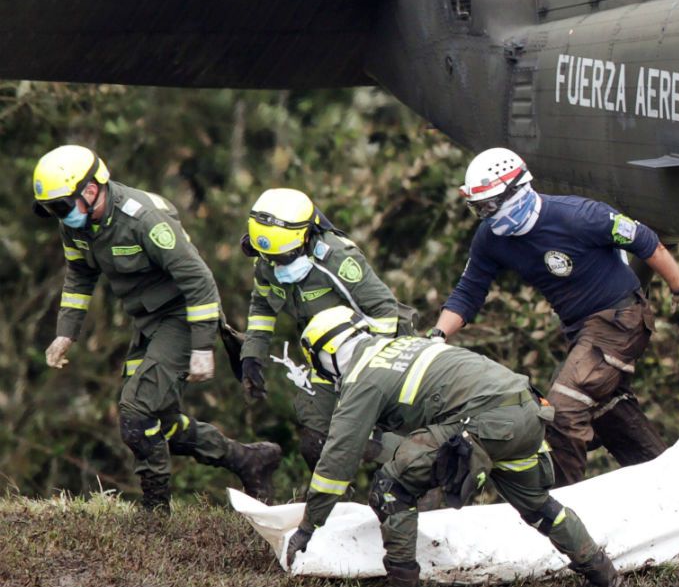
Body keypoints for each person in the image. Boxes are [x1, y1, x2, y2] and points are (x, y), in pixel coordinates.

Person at [430, 147, 679, 485]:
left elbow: (645, 240)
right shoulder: (490, 238)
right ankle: (676, 486)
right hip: (582, 333)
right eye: (479, 208)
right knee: (607, 411)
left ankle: (564, 510)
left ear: (516, 190)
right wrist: (437, 338)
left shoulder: (579, 215)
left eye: (490, 205)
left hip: (621, 318)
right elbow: (469, 292)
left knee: (564, 409)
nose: (487, 215)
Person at [285, 307, 617, 587]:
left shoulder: (363, 377)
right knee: (539, 506)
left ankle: (402, 580)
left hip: (485, 425)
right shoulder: (404, 346)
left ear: (326, 355)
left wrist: (308, 525)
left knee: (391, 488)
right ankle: (604, 573)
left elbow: (337, 462)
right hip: (528, 413)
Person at [33, 145, 281, 510]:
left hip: (183, 317)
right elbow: (80, 275)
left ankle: (155, 511)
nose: (59, 216)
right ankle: (246, 460)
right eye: (52, 209)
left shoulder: (143, 219)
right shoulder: (78, 225)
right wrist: (66, 332)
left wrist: (201, 349)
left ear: (89, 190)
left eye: (61, 206)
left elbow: (200, 283)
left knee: (136, 412)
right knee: (159, 422)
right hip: (148, 321)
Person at [240, 187, 415, 468]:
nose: (274, 264)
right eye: (267, 256)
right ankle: (336, 508)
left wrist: (368, 374)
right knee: (316, 443)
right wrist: (251, 356)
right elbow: (262, 306)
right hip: (326, 361)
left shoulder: (338, 259)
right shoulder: (267, 262)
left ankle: (426, 465)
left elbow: (384, 311)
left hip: (376, 352)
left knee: (366, 439)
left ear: (304, 237)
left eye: (282, 257)